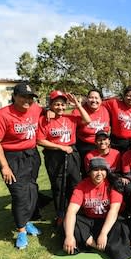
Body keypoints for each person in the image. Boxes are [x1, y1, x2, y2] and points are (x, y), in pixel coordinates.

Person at [0, 82, 44, 249]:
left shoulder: (36, 109)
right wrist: (4, 166)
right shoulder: (2, 115)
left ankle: (26, 222)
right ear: (14, 97)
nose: (27, 100)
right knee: (19, 194)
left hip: (31, 155)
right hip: (11, 158)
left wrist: (48, 115)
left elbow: (46, 112)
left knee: (31, 190)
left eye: (30, 97)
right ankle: (21, 230)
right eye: (23, 96)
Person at [62, 157, 131, 259]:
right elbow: (71, 211)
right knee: (68, 223)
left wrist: (103, 233)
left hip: (109, 220)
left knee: (121, 229)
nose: (99, 173)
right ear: (89, 172)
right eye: (95, 170)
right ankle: (97, 245)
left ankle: (92, 242)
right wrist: (69, 236)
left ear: (107, 171)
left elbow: (114, 211)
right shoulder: (81, 186)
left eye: (102, 170)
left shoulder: (114, 184)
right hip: (90, 220)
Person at [37, 90, 91, 226]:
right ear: (51, 105)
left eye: (62, 104)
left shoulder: (70, 118)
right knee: (58, 185)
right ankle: (60, 213)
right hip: (54, 156)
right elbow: (40, 140)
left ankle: (76, 211)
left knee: (75, 183)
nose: (60, 107)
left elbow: (88, 120)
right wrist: (60, 147)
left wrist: (78, 105)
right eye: (57, 104)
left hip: (71, 153)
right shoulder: (45, 120)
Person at [72, 89, 110, 176]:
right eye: (91, 97)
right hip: (84, 146)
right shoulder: (78, 111)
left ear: (101, 100)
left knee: (102, 171)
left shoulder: (105, 110)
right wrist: (49, 111)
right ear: (86, 99)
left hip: (102, 145)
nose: (94, 100)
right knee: (87, 172)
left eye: (96, 98)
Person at [102, 86, 131, 153]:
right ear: (124, 96)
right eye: (128, 96)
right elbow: (98, 104)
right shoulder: (114, 103)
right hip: (116, 142)